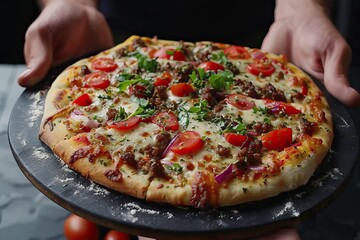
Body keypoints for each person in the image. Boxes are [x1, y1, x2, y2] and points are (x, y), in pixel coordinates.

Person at [15, 0, 359, 239]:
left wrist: (302, 10)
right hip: (120, 40)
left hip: (260, 37)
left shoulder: (301, 122)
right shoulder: (83, 123)